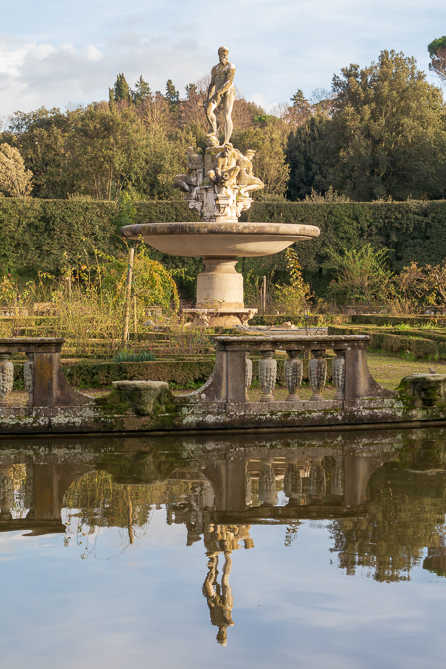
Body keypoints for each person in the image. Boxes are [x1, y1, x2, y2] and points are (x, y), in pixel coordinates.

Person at [205, 47, 236, 145]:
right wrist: (208, 98)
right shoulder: (215, 68)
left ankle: (226, 141)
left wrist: (218, 93)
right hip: (217, 92)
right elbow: (212, 84)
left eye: (225, 54)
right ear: (218, 55)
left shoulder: (230, 66)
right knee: (208, 110)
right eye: (221, 54)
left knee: (227, 115)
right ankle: (215, 131)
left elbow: (229, 81)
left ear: (227, 55)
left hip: (228, 91)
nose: (223, 56)